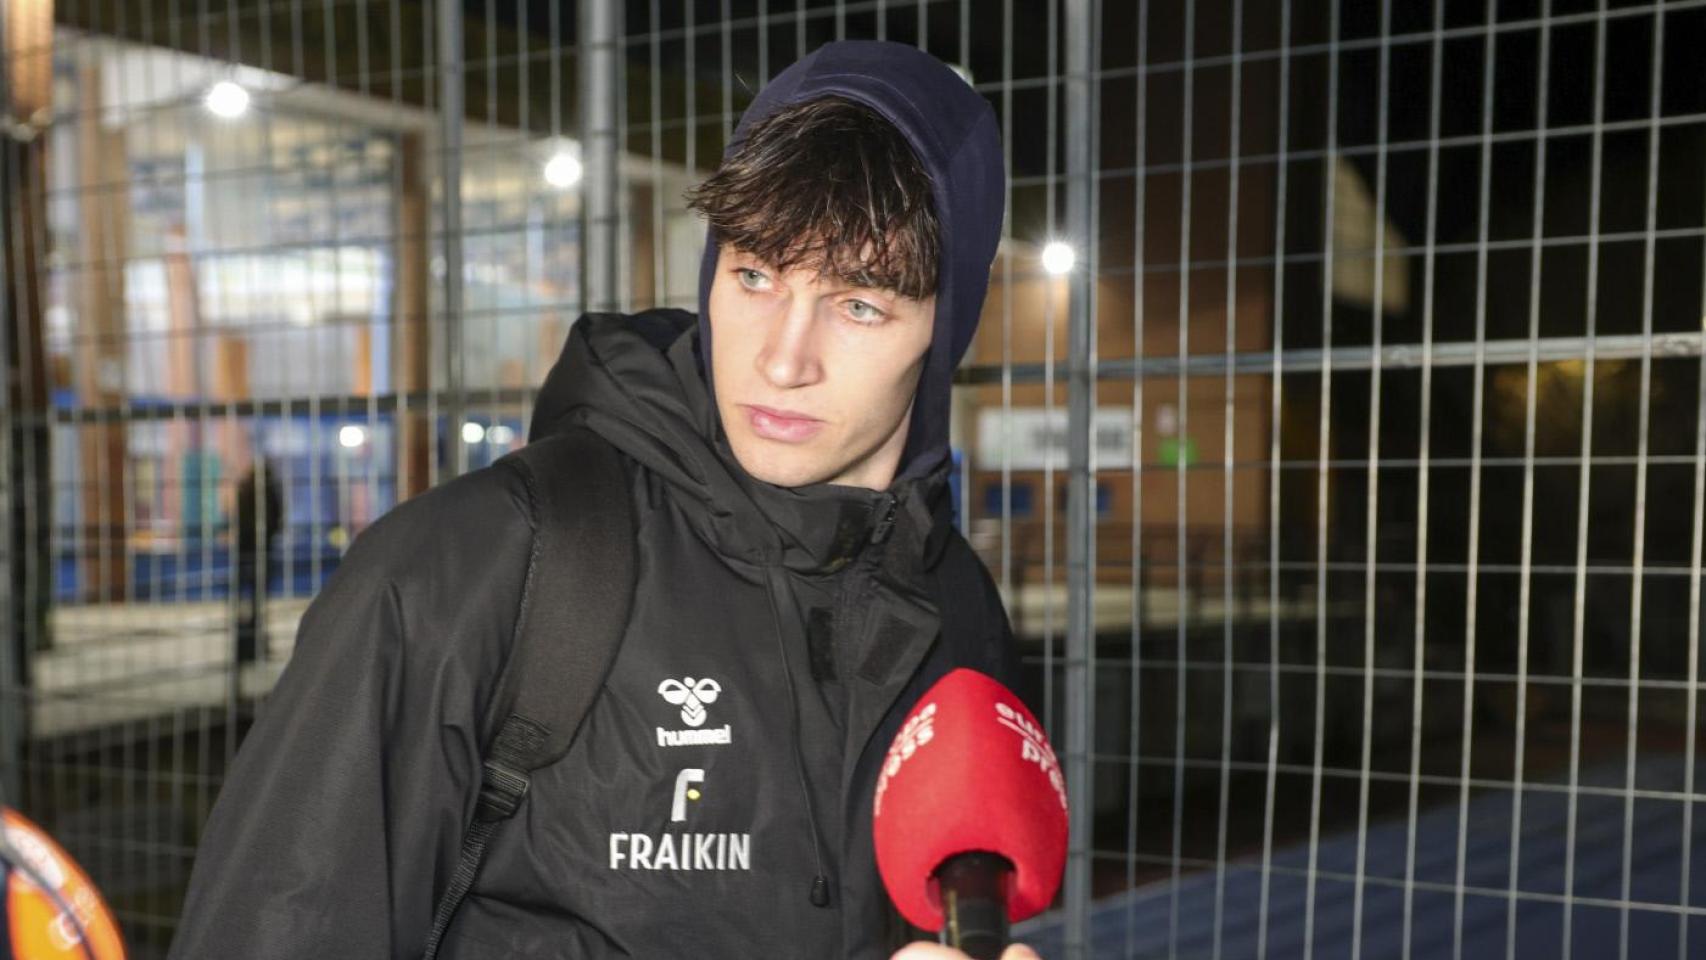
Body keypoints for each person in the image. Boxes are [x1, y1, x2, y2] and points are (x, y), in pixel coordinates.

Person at [167, 41, 1035, 959]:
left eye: (859, 306)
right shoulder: (468, 570)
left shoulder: (960, 613)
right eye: (754, 276)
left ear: (946, 328)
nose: (784, 361)